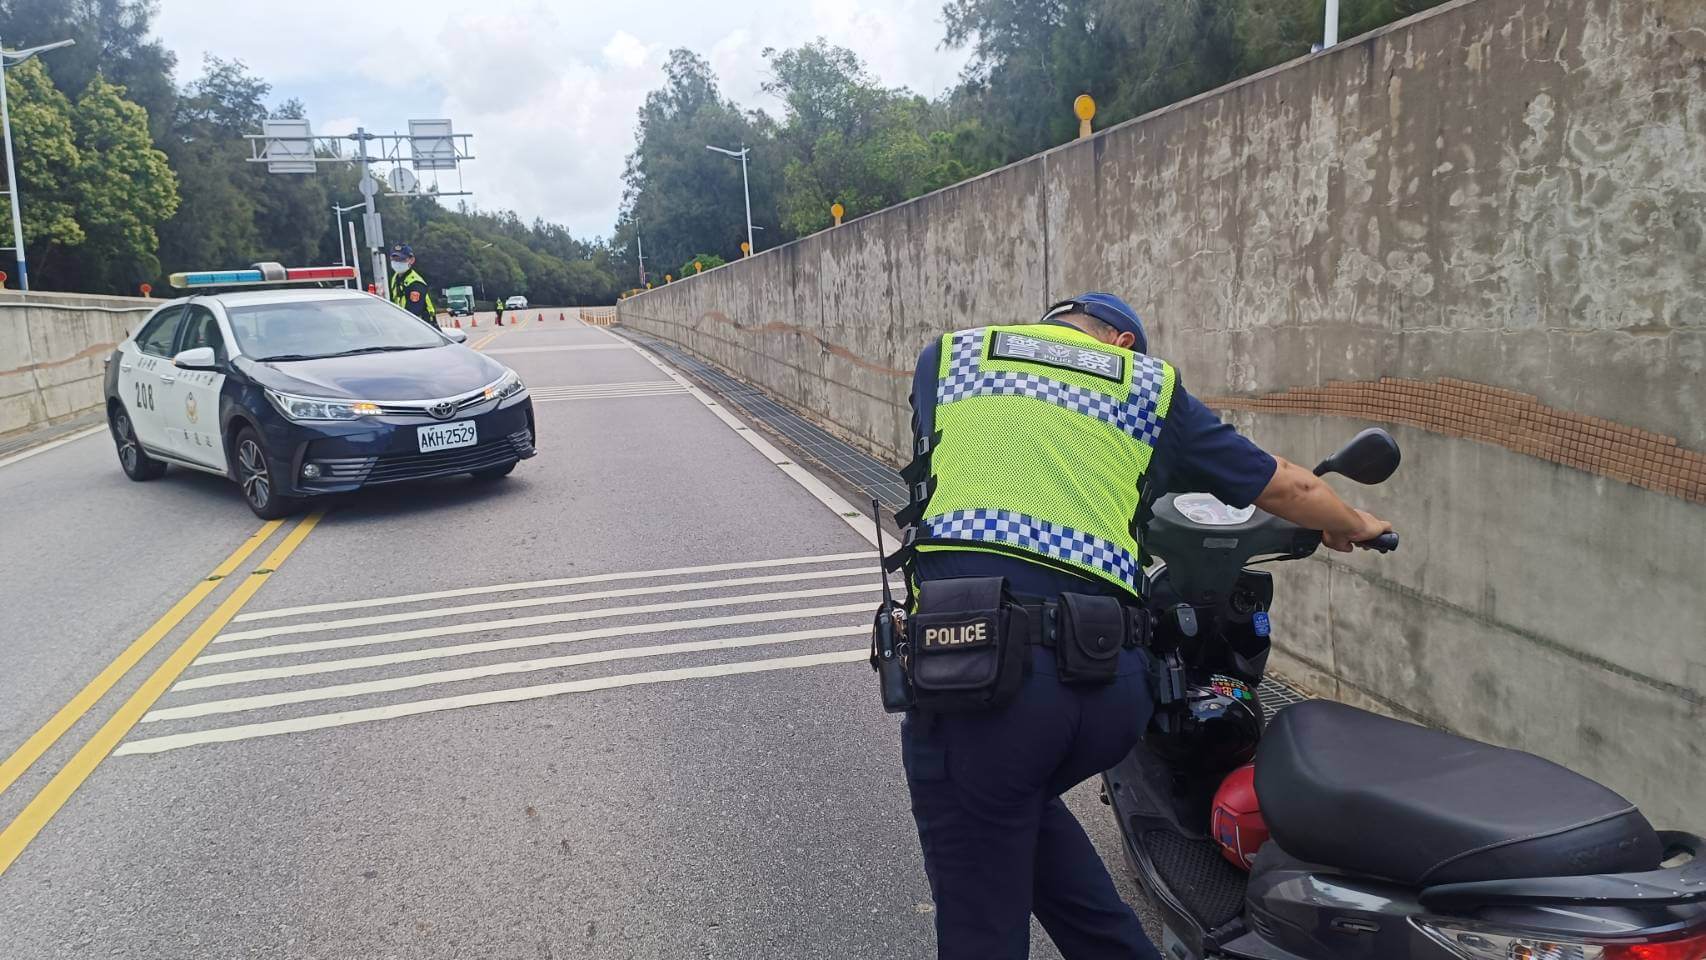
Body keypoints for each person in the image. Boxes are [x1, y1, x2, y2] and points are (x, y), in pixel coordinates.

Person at [889, 292, 1392, 960]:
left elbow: (980, 461)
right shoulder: (1147, 387)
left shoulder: (948, 359)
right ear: (1123, 345)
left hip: (985, 680)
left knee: (981, 919)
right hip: (1111, 689)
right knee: (1032, 831)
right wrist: (1354, 523)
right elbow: (1288, 488)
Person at [386, 242, 437, 328]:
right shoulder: (395, 278)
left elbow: (413, 313)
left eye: (402, 259)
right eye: (394, 259)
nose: (397, 262)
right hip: (406, 327)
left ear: (411, 260)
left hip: (424, 327)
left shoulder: (416, 283)